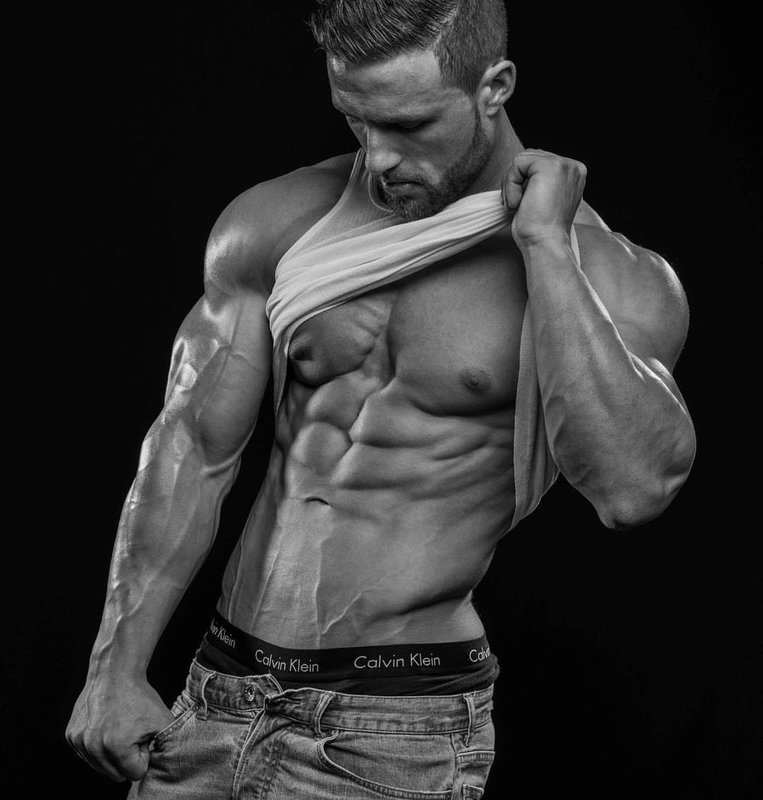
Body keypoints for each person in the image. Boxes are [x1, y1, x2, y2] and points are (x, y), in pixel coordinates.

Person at [66, 1, 696, 797]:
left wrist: (544, 246)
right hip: (215, 695)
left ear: (494, 87)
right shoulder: (280, 220)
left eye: (408, 124)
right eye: (356, 120)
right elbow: (191, 445)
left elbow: (633, 490)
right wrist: (115, 668)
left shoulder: (602, 274)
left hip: (390, 729)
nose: (380, 156)